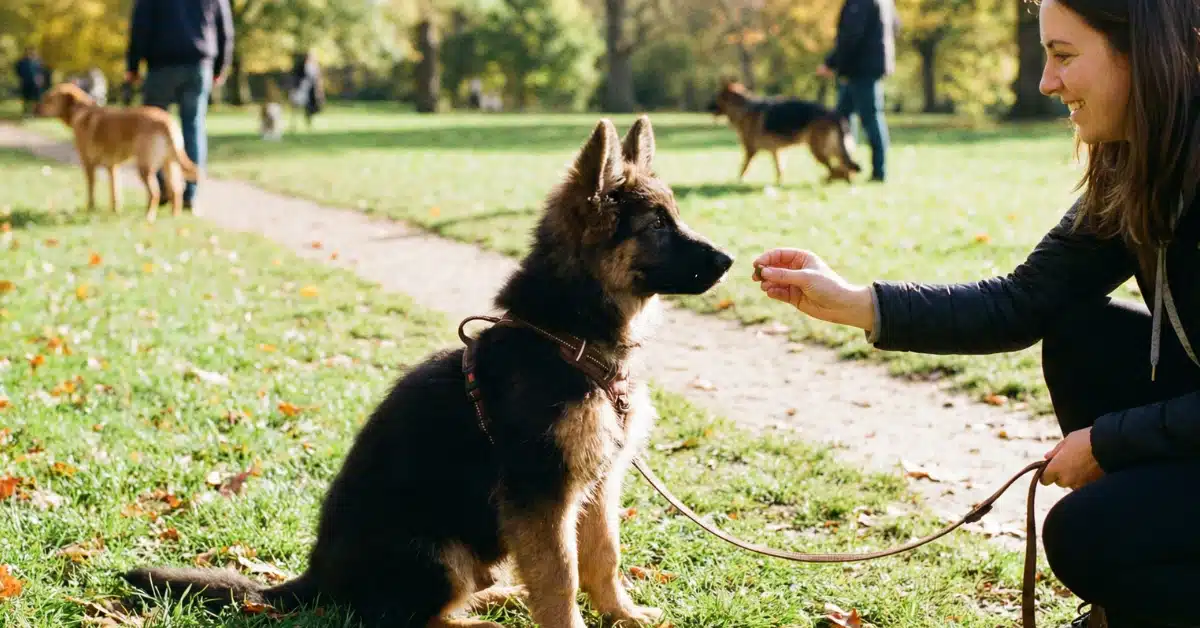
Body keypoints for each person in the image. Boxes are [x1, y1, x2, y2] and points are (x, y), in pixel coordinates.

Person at [755, 0, 1199, 626]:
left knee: (1083, 536)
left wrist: (1108, 441)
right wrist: (856, 302)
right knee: (1079, 331)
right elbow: (1021, 302)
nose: (1047, 82)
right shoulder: (1136, 160)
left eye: (1064, 55)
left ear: (1142, 54)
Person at [125, 0, 234, 212]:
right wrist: (220, 66)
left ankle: (163, 189)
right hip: (198, 64)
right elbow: (225, 31)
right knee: (193, 127)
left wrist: (133, 65)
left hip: (161, 66)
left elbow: (140, 25)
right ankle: (189, 194)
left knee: (152, 131)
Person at [817, 0, 897, 183]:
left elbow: (851, 36)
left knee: (870, 119)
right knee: (841, 119)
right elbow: (895, 27)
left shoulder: (861, 2)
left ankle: (879, 172)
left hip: (862, 70)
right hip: (862, 68)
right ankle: (845, 168)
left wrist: (831, 63)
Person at [288, 50, 325, 131]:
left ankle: (309, 124)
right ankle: (293, 124)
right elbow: (295, 78)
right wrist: (293, 89)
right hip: (301, 88)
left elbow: (318, 80)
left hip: (311, 91)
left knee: (309, 108)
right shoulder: (300, 66)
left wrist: (319, 91)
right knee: (296, 106)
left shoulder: (316, 67)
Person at [14, 47, 44, 118]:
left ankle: (33, 113)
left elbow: (41, 72)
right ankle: (26, 112)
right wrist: (21, 77)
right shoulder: (22, 62)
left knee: (35, 99)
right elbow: (17, 70)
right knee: (25, 98)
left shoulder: (37, 62)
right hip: (25, 82)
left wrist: (40, 80)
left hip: (35, 84)